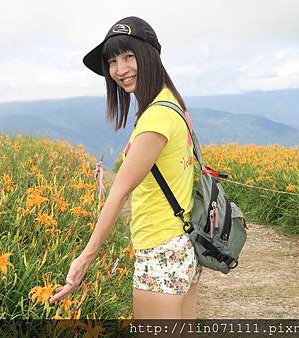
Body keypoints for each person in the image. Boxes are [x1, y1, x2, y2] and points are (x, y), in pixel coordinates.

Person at [50, 16, 201, 319]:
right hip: (183, 245)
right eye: (112, 61)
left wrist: (84, 259)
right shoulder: (171, 103)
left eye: (129, 56)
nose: (120, 70)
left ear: (149, 55)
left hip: (160, 250)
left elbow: (118, 194)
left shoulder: (155, 118)